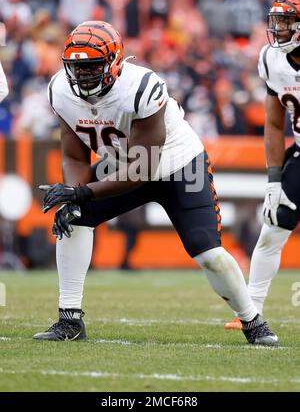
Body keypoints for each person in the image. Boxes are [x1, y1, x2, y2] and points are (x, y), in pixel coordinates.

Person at [34, 20, 277, 345]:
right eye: (77, 68)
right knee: (73, 219)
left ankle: (253, 321)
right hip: (122, 163)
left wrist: (81, 192)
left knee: (207, 252)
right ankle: (69, 320)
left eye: (92, 67)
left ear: (115, 63)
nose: (83, 76)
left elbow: (142, 169)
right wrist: (75, 199)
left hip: (177, 164)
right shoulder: (61, 90)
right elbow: (75, 155)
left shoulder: (142, 87)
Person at [225, 0, 300, 330]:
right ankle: (250, 312)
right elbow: (273, 121)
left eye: (286, 22)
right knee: (273, 224)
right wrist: (273, 180)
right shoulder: (272, 58)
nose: (278, 29)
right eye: (278, 21)